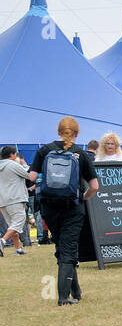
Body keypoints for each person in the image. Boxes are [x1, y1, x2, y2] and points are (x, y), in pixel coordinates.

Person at [27, 117, 99, 303]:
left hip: (49, 207)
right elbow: (95, 186)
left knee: (62, 246)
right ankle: (63, 298)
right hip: (72, 208)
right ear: (77, 133)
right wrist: (83, 197)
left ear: (58, 131)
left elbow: (32, 177)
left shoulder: (44, 150)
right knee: (68, 250)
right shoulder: (80, 154)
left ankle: (76, 292)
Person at [0, 146, 32, 255]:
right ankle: (2, 241)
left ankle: (18, 249)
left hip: (3, 200)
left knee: (12, 226)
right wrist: (24, 164)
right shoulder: (13, 165)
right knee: (19, 221)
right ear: (13, 154)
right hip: (15, 198)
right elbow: (29, 175)